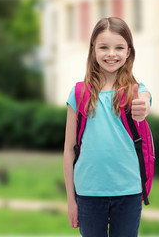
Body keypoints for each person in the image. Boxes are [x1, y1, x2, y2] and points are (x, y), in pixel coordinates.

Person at [63, 17, 152, 237]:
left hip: (129, 191)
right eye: (104, 47)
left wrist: (144, 105)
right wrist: (71, 200)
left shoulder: (135, 91)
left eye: (119, 47)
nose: (111, 54)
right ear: (93, 50)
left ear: (129, 51)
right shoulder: (78, 94)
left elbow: (145, 98)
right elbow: (68, 149)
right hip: (88, 193)